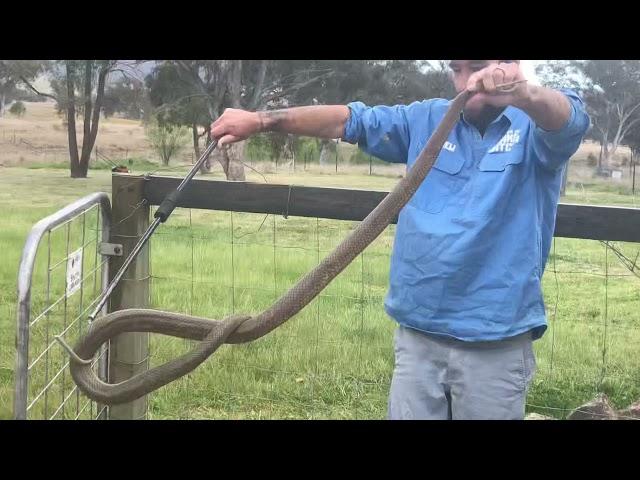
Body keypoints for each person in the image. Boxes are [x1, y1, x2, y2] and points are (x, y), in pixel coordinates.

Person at [210, 60, 591, 420]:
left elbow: (571, 120)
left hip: (495, 343)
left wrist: (524, 94)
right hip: (418, 335)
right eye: (455, 70)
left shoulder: (535, 130)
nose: (465, 83)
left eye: (476, 68)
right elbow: (351, 120)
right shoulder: (426, 119)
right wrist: (261, 120)